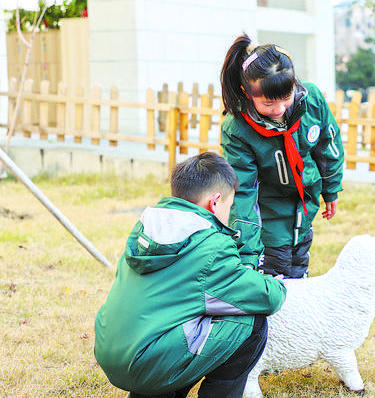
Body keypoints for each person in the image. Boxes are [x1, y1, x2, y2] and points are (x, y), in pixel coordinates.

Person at [94, 152, 286, 398]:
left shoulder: (147, 227)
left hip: (112, 352)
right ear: (215, 202)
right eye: (230, 206)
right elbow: (268, 296)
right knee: (251, 322)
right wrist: (275, 282)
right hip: (149, 364)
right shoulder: (210, 245)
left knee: (187, 313)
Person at [220, 34, 344, 279]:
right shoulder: (237, 129)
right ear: (247, 92)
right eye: (267, 104)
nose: (278, 111)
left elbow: (328, 145)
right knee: (272, 282)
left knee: (299, 274)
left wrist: (331, 190)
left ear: (294, 84)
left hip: (304, 211)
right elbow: (242, 192)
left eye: (285, 99)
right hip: (268, 219)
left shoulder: (311, 99)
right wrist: (247, 252)